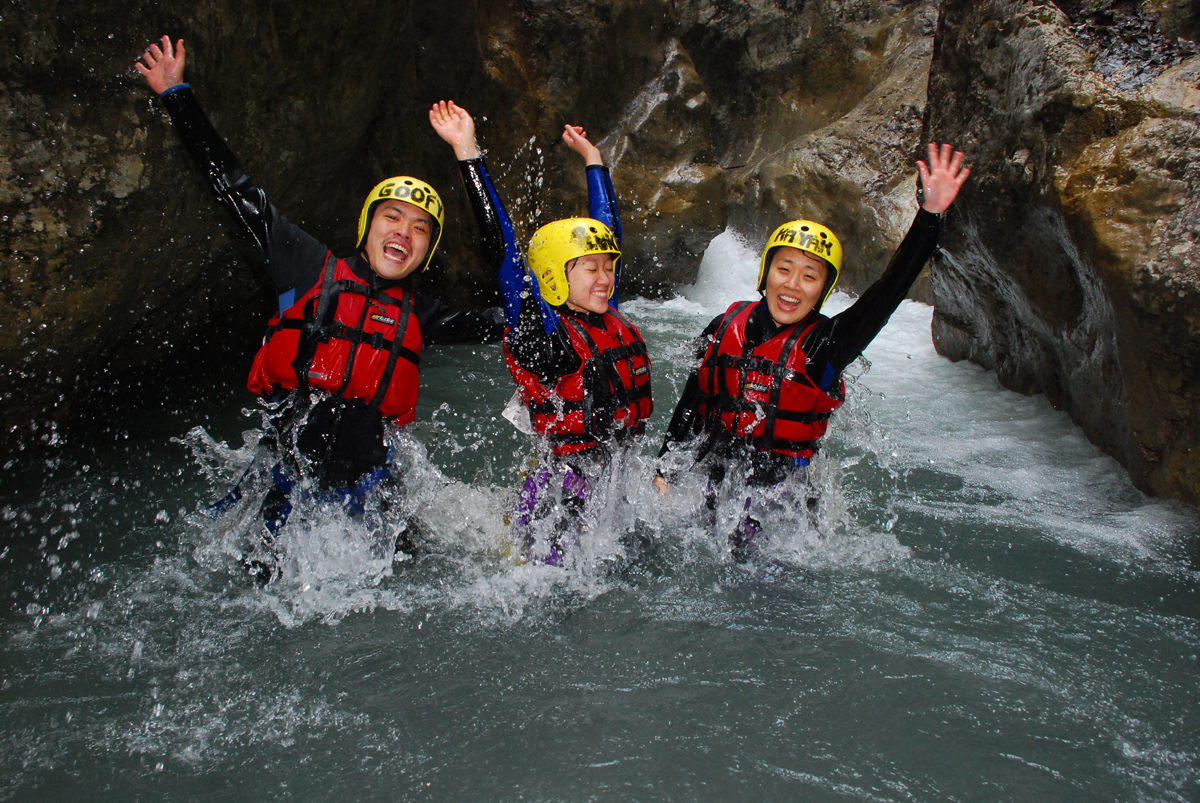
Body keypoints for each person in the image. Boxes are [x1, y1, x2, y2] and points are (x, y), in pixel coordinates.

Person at [137, 37, 503, 581]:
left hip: (375, 490)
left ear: (427, 250)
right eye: (392, 217)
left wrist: (469, 155)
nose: (403, 232)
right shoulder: (306, 267)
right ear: (368, 225)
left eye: (420, 227)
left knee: (414, 581)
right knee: (257, 585)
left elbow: (514, 301)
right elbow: (235, 190)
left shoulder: (423, 315)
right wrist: (177, 96)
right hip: (289, 481)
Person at [656, 143, 970, 561]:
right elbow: (693, 401)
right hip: (712, 484)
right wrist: (664, 470)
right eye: (783, 269)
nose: (792, 285)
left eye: (809, 276)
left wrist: (930, 217)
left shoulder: (827, 345)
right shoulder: (723, 325)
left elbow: (887, 293)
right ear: (765, 272)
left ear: (823, 291)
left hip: (779, 507)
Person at [429, 101, 652, 566]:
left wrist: (594, 161)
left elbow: (607, 231)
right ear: (554, 276)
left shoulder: (602, 314)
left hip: (612, 481)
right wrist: (468, 153)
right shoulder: (543, 332)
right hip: (559, 495)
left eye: (608, 268)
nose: (606, 277)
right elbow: (503, 248)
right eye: (590, 268)